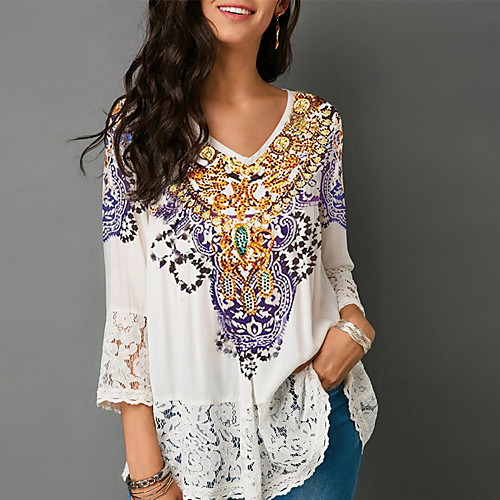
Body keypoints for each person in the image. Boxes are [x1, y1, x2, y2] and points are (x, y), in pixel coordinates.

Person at [79, 1, 379, 499]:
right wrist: (147, 474)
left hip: (313, 434)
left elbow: (333, 263)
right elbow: (128, 310)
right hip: (193, 451)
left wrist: (354, 325)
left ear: (281, 4)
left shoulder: (317, 124)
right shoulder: (138, 127)